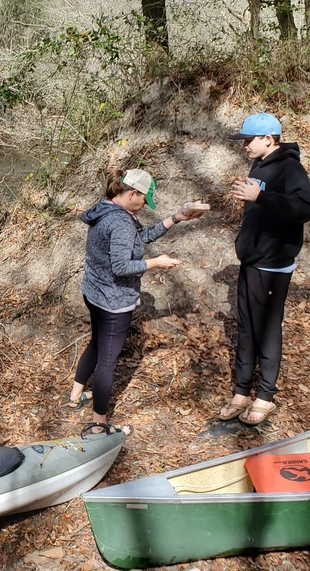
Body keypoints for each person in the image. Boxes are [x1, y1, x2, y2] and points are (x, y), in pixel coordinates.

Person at [67, 168, 206, 434]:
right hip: (113, 301)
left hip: (94, 293)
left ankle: (75, 397)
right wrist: (156, 262)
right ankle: (99, 426)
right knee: (107, 362)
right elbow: (121, 266)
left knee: (96, 343)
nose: (144, 205)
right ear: (132, 193)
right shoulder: (120, 222)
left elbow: (138, 238)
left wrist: (175, 219)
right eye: (143, 200)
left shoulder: (105, 209)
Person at [218, 113, 310, 426]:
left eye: (250, 140)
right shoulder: (259, 164)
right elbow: (261, 207)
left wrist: (261, 196)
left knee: (268, 330)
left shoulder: (290, 168)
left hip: (273, 265)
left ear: (269, 139)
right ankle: (241, 391)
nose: (245, 146)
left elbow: (305, 208)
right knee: (246, 327)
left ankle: (266, 397)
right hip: (252, 260)